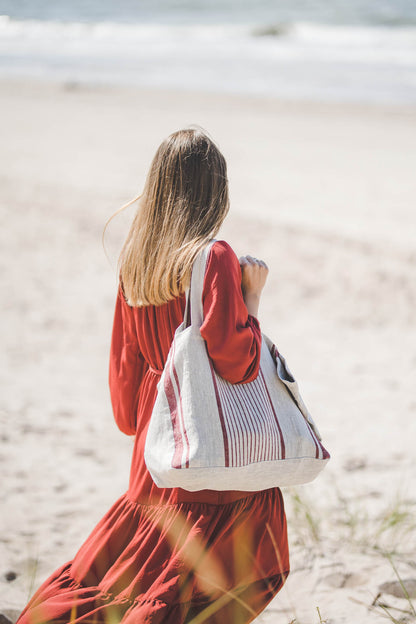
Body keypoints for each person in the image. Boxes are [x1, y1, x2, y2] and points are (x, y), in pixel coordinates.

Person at [16, 128, 289, 624]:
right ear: (216, 192)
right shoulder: (214, 258)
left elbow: (124, 377)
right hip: (206, 447)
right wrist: (251, 300)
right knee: (246, 552)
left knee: (131, 574)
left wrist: (137, 423)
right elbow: (236, 360)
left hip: (157, 437)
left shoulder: (136, 262)